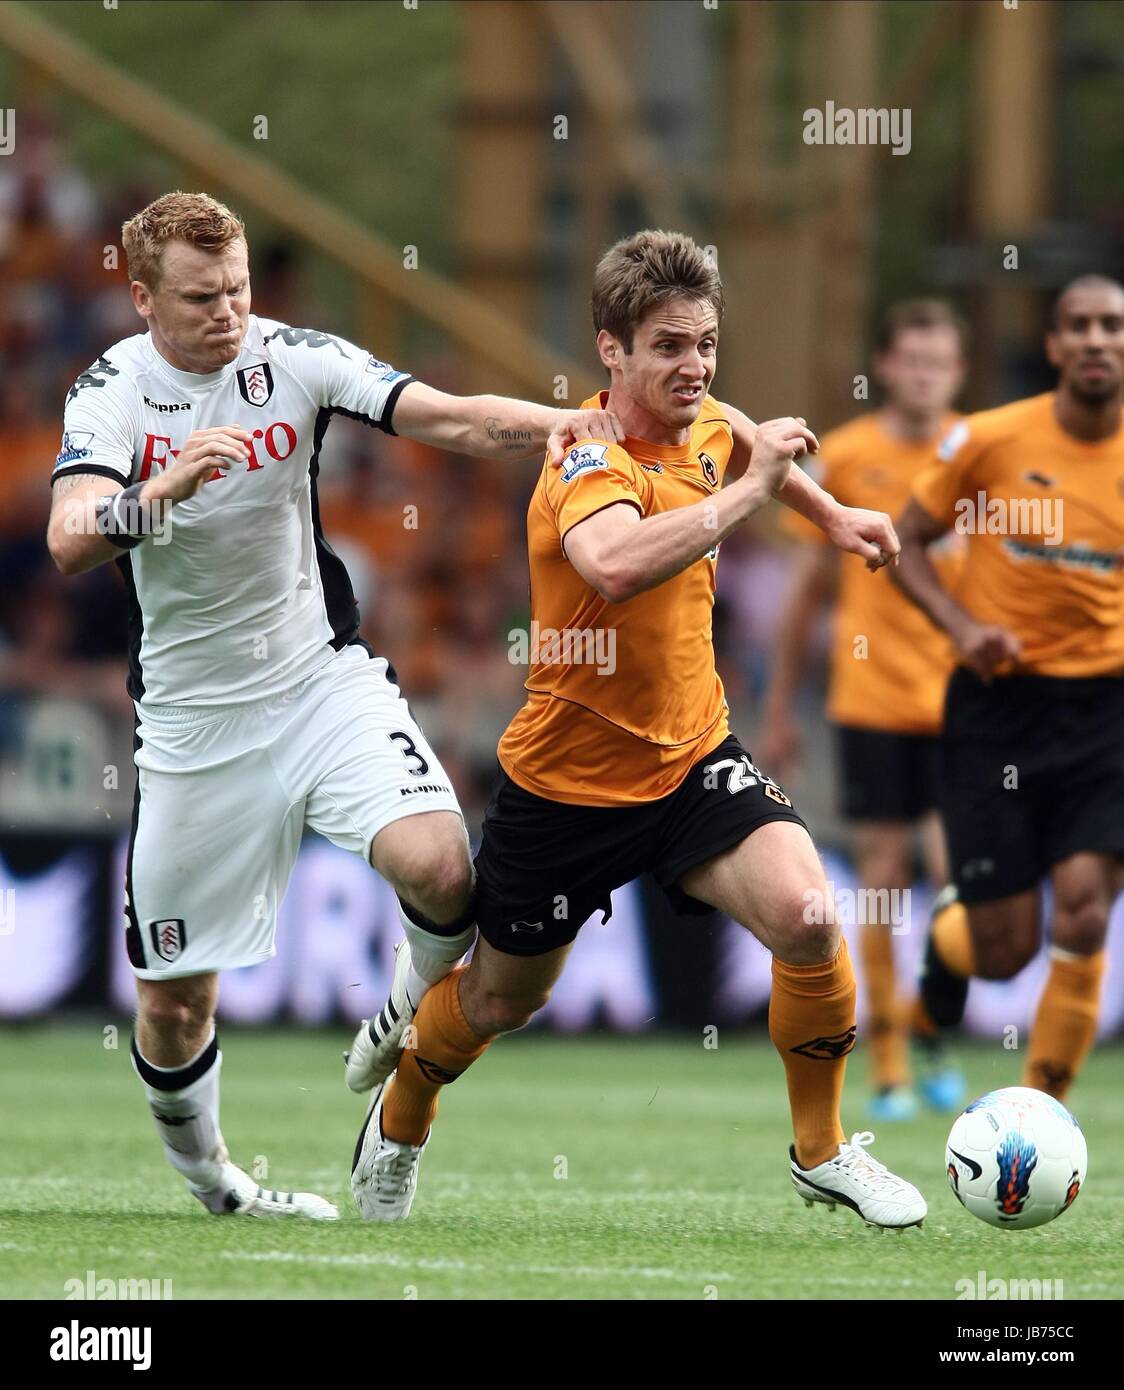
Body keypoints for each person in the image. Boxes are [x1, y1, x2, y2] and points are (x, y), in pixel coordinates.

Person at [46, 190, 623, 1221]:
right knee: (177, 1002)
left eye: (236, 289)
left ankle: (406, 1004)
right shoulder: (112, 393)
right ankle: (218, 1183)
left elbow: (446, 416)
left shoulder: (291, 357)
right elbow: (70, 536)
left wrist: (584, 428)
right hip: (193, 724)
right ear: (140, 298)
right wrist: (162, 491)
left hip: (320, 681)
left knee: (444, 865)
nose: (226, 312)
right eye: (198, 296)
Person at [348, 229, 928, 1230]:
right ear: (609, 350)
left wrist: (828, 513)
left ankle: (822, 1149)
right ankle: (399, 1120)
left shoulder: (702, 421)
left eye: (703, 342)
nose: (692, 366)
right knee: (495, 1002)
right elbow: (614, 563)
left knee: (806, 916)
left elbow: (741, 436)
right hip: (566, 789)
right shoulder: (580, 451)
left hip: (693, 755)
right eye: (666, 346)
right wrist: (752, 498)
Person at [892, 275, 1124, 1101]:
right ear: (1055, 346)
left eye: (1112, 326)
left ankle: (1043, 1114)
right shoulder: (988, 441)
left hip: (1105, 711)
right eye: (1079, 326)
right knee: (1004, 952)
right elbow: (906, 541)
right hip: (998, 707)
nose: (1097, 340)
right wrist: (961, 630)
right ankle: (946, 953)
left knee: (1087, 910)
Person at [758, 300, 968, 1121]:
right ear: (886, 365)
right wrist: (777, 709)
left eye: (939, 361)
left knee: (958, 884)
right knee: (882, 878)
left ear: (957, 372)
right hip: (872, 698)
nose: (923, 373)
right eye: (911, 358)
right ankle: (885, 1065)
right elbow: (806, 594)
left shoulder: (976, 453)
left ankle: (930, 1026)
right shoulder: (845, 456)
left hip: (962, 706)